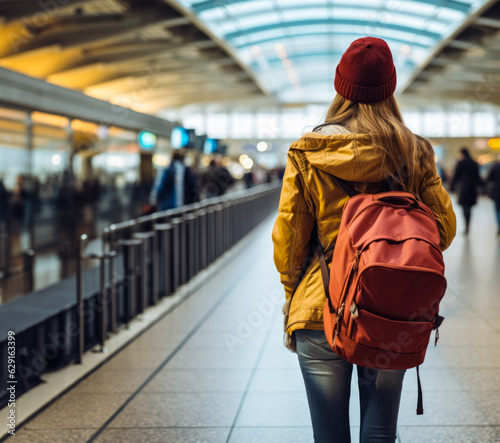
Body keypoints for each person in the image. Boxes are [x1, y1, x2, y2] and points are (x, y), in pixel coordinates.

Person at [272, 37, 456, 443]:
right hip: (388, 309)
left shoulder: (307, 152)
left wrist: (293, 294)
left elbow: (289, 241)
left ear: (341, 89)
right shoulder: (415, 152)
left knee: (329, 436)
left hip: (320, 308)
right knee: (379, 433)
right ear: (389, 89)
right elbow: (443, 228)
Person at [450, 148, 482, 235]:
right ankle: (468, 225)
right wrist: (481, 186)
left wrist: (451, 186)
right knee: (469, 208)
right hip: (472, 188)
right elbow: (477, 176)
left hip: (463, 188)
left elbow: (456, 175)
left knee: (464, 207)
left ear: (462, 154)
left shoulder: (460, 162)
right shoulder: (473, 163)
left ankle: (466, 226)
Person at [486, 154, 500, 236]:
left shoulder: (494, 167)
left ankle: (499, 226)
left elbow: (489, 178)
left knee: (497, 209)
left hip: (496, 191)